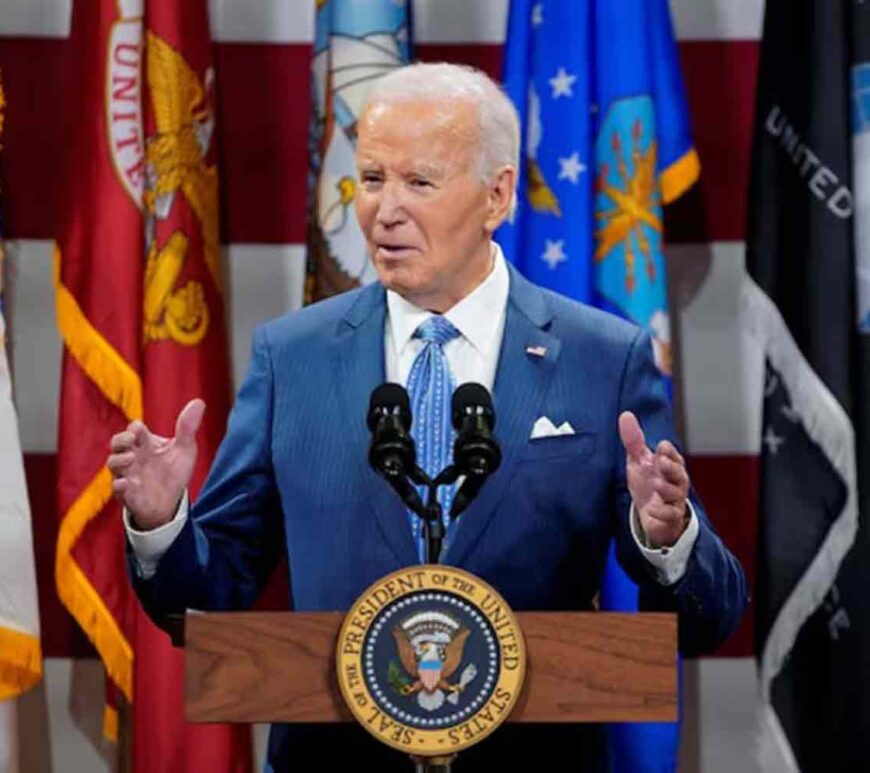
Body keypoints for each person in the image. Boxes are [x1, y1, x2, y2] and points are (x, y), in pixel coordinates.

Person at [108, 63, 747, 772]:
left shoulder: (602, 357)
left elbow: (709, 615)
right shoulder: (294, 357)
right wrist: (164, 524)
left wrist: (669, 537)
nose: (385, 209)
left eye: (419, 183)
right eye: (372, 178)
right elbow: (212, 588)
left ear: (497, 195)